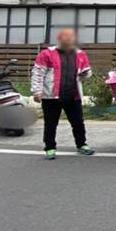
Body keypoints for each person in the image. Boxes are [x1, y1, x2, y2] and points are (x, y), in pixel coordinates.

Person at [31, 29, 94, 160]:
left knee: (78, 122)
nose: (69, 39)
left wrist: (85, 74)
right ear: (59, 39)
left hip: (73, 94)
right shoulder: (47, 53)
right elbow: (38, 72)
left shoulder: (80, 54)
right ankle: (50, 148)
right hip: (51, 96)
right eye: (66, 37)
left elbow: (87, 71)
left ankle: (81, 144)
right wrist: (37, 91)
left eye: (71, 37)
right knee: (50, 123)